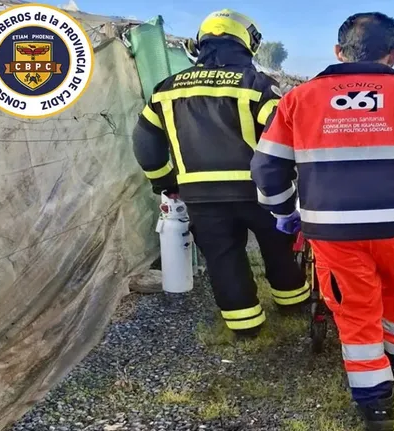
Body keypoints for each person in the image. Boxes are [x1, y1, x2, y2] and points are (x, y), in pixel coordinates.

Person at [250, 12, 394, 431]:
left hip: (333, 229)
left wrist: (284, 213)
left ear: (339, 51)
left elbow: (267, 166)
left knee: (354, 310)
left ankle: (376, 404)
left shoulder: (298, 100)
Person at [132, 9, 308, 337]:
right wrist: (290, 177)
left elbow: (144, 140)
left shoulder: (166, 89)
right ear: (247, 43)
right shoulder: (257, 85)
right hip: (259, 192)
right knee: (278, 247)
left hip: (200, 195)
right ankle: (292, 302)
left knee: (223, 257)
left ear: (200, 43)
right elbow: (285, 135)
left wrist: (164, 181)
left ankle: (245, 325)